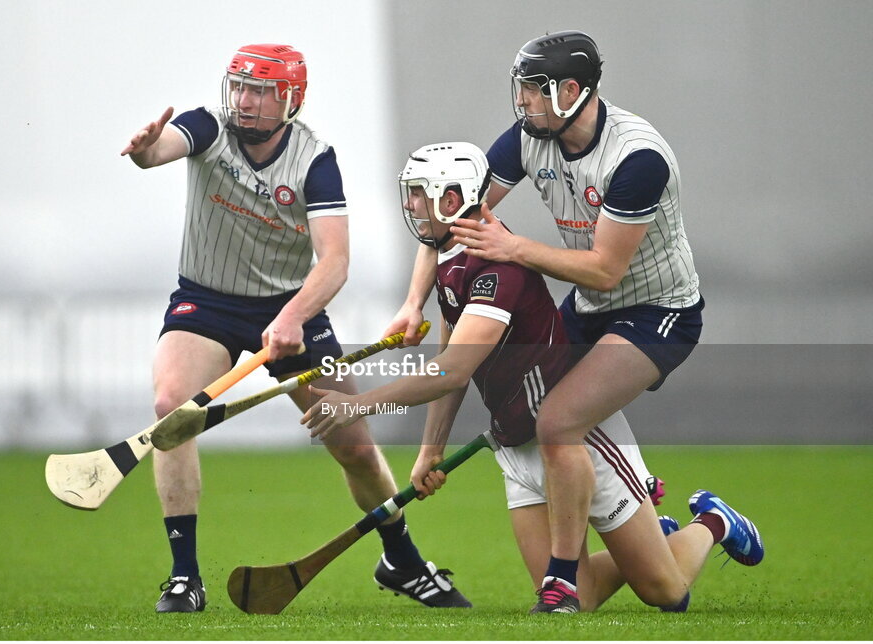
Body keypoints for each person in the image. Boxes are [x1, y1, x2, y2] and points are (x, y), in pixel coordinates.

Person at [306, 142, 763, 613]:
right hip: (514, 445)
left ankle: (712, 522)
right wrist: (431, 450)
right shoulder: (451, 260)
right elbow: (450, 356)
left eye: (420, 193)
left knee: (667, 594)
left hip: (579, 443)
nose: (410, 204)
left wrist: (357, 404)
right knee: (577, 598)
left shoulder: (496, 270)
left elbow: (451, 370)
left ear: (451, 198)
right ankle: (648, 540)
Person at [120, 44, 469, 613]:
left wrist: (290, 318)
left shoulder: (314, 159)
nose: (247, 102)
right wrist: (145, 151)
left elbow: (334, 262)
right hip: (204, 304)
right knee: (171, 410)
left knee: (353, 445)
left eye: (262, 91)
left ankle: (401, 559)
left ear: (291, 99)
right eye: (241, 87)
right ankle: (185, 576)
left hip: (291, 308)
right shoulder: (209, 127)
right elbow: (165, 147)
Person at [383, 31, 707, 612]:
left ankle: (597, 564)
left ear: (572, 92)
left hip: (656, 313)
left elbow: (607, 271)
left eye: (534, 89)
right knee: (528, 406)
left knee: (557, 421)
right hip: (587, 307)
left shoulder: (637, 159)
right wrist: (413, 302)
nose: (522, 100)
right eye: (522, 88)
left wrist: (515, 250)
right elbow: (450, 214)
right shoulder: (530, 137)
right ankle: (633, 520)